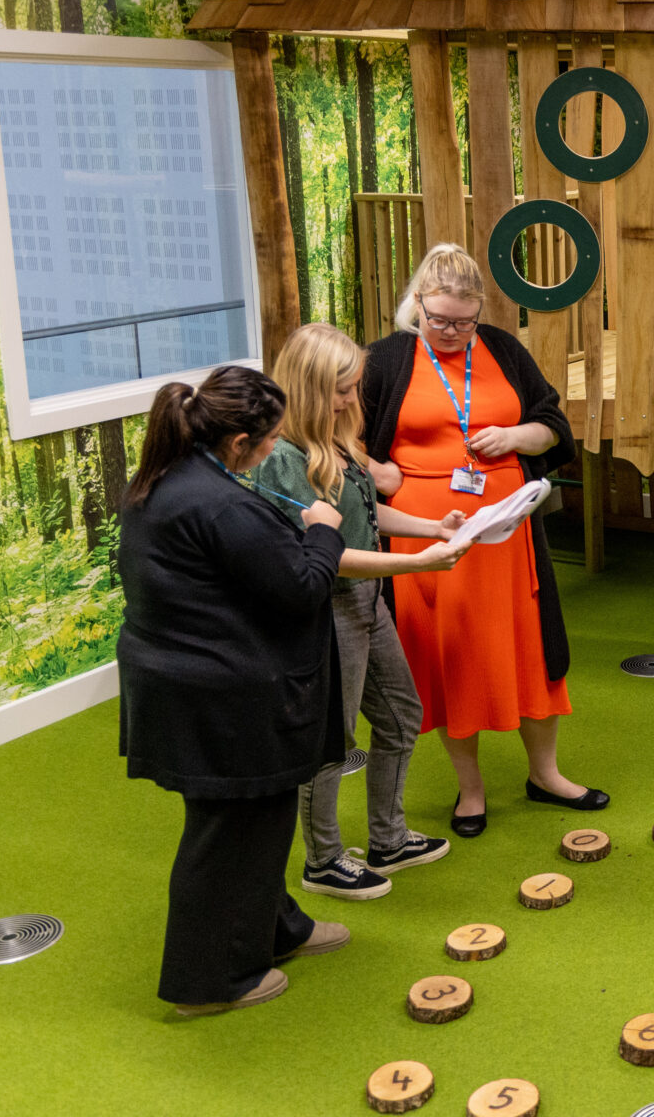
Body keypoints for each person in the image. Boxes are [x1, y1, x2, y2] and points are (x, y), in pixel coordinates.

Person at [117, 366, 348, 1016]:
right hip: (217, 696)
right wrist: (325, 530)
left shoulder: (172, 478)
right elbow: (302, 586)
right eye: (272, 438)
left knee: (255, 820)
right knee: (227, 831)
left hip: (186, 683)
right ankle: (207, 982)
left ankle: (277, 930)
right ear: (240, 441)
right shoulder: (221, 503)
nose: (277, 447)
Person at [360, 243, 605, 838]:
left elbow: (554, 426)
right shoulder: (383, 360)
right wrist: (378, 472)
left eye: (463, 322)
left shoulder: (501, 349)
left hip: (508, 533)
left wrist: (518, 435)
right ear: (416, 303)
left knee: (532, 651)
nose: (450, 331)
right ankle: (470, 792)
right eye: (439, 319)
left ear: (480, 313)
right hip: (424, 540)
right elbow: (337, 439)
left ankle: (545, 775)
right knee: (451, 658)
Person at [251, 323, 473, 901]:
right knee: (331, 736)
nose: (352, 401)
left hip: (367, 602)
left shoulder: (339, 438)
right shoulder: (279, 459)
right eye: (341, 390)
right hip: (325, 609)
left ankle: (388, 839)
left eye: (353, 387)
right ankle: (323, 860)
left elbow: (367, 516)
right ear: (306, 386)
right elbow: (328, 557)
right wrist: (418, 565)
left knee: (401, 715)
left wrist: (434, 528)